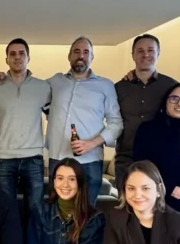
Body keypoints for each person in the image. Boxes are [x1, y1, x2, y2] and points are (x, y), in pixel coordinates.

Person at [45, 36, 122, 204]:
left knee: (87, 214)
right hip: (58, 158)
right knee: (59, 211)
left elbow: (116, 122)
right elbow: (30, 89)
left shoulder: (106, 85)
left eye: (86, 52)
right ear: (69, 55)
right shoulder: (54, 82)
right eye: (76, 51)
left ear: (92, 57)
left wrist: (91, 143)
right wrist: (4, 77)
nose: (81, 56)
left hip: (91, 162)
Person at [0, 38, 51, 215]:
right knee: (7, 210)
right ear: (6, 59)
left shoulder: (43, 87)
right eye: (12, 54)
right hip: (4, 158)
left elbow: (56, 118)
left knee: (36, 209)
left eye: (22, 53)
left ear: (28, 57)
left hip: (33, 157)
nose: (17, 57)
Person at [131, 83, 180, 220]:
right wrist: (168, 187)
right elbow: (142, 164)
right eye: (174, 98)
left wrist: (179, 189)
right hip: (152, 195)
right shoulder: (147, 129)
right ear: (165, 101)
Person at [115, 34, 178, 186]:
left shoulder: (171, 86)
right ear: (133, 54)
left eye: (150, 50)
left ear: (158, 53)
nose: (146, 55)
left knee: (155, 206)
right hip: (125, 157)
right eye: (140, 51)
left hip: (159, 158)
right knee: (125, 204)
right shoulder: (119, 88)